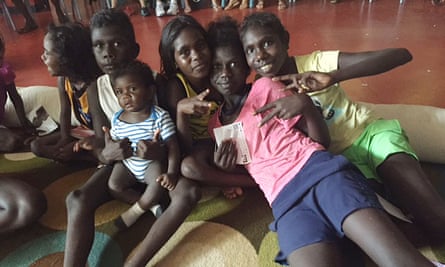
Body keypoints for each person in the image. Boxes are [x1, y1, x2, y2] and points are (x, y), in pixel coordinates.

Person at [207, 16, 440, 267]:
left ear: (285, 41)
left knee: (428, 228)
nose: (260, 55)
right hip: (315, 179)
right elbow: (260, 158)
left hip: (352, 149)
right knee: (365, 245)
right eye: (251, 50)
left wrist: (331, 78)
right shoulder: (237, 109)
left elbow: (400, 55)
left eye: (267, 43)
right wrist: (226, 169)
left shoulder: (296, 72)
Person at [63, 9, 200, 267]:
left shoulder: (159, 84)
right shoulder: (96, 89)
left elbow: (177, 141)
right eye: (99, 45)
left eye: (117, 43)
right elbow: (104, 146)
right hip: (121, 168)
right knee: (76, 198)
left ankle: (135, 262)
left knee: (188, 193)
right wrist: (106, 154)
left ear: (135, 48)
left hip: (158, 168)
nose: (108, 52)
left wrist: (159, 153)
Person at [159, 15, 255, 199]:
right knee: (189, 167)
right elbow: (184, 147)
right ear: (174, 61)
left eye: (200, 46)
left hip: (228, 139)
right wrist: (181, 112)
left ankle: (237, 176)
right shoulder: (176, 86)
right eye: (185, 52)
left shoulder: (218, 73)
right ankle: (252, 182)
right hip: (200, 147)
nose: (196, 56)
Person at [108, 60, 180, 229]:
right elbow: (114, 145)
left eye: (132, 89)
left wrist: (171, 173)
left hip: (150, 165)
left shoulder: (159, 116)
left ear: (150, 92)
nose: (126, 96)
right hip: (128, 165)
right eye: (119, 92)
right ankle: (151, 206)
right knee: (113, 185)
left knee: (157, 184)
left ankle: (135, 212)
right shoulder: (117, 118)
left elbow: (173, 147)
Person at [30, 22, 102, 162]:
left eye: (47, 53)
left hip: (102, 135)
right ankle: (73, 156)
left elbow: (103, 129)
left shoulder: (95, 86)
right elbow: (65, 112)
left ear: (66, 59)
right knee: (36, 146)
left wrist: (77, 145)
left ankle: (82, 157)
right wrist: (64, 138)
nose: (42, 57)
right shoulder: (64, 81)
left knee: (99, 153)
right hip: (83, 130)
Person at [0, 33, 35, 152]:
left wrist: (24, 123)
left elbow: (15, 98)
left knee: (13, 142)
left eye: (0, 57)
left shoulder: (4, 72)